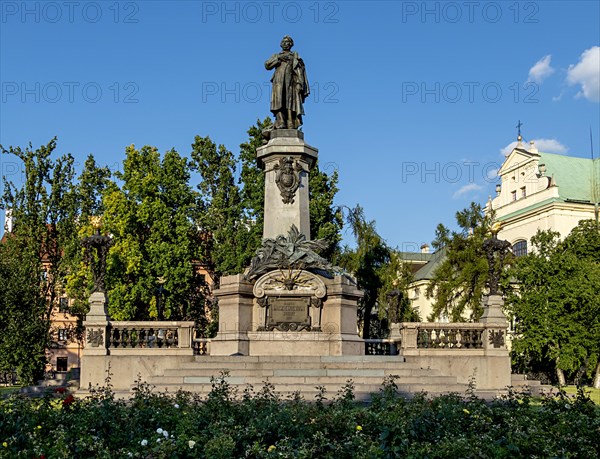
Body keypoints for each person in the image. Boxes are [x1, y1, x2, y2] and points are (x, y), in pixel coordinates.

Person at [265, 36, 309, 129]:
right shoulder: (277, 55)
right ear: (281, 44)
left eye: (288, 42)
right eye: (284, 42)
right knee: (279, 101)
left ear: (291, 44)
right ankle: (281, 122)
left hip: (291, 82)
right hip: (278, 82)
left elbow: (300, 70)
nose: (286, 44)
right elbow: (267, 65)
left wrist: (299, 83)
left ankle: (291, 122)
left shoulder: (294, 56)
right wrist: (279, 59)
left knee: (290, 102)